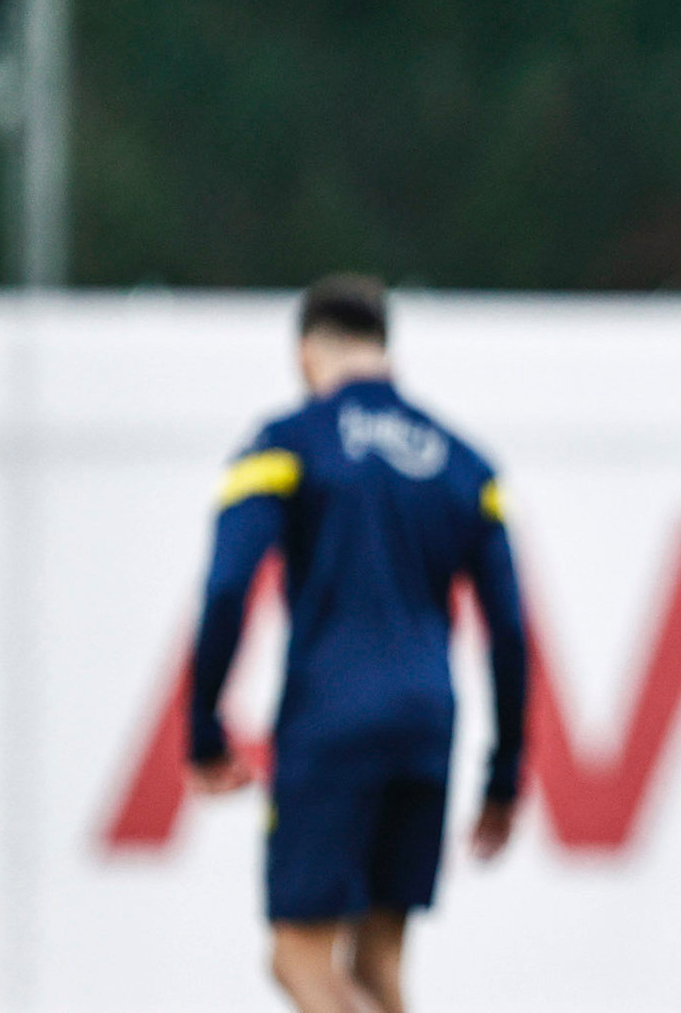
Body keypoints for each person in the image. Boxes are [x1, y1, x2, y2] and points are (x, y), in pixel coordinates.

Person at [188, 275, 530, 1013]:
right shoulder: (464, 464)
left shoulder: (286, 443)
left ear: (307, 352)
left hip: (330, 721)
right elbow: (509, 626)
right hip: (425, 724)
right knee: (379, 966)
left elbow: (225, 587)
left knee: (296, 958)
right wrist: (504, 774)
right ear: (383, 349)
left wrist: (203, 731)